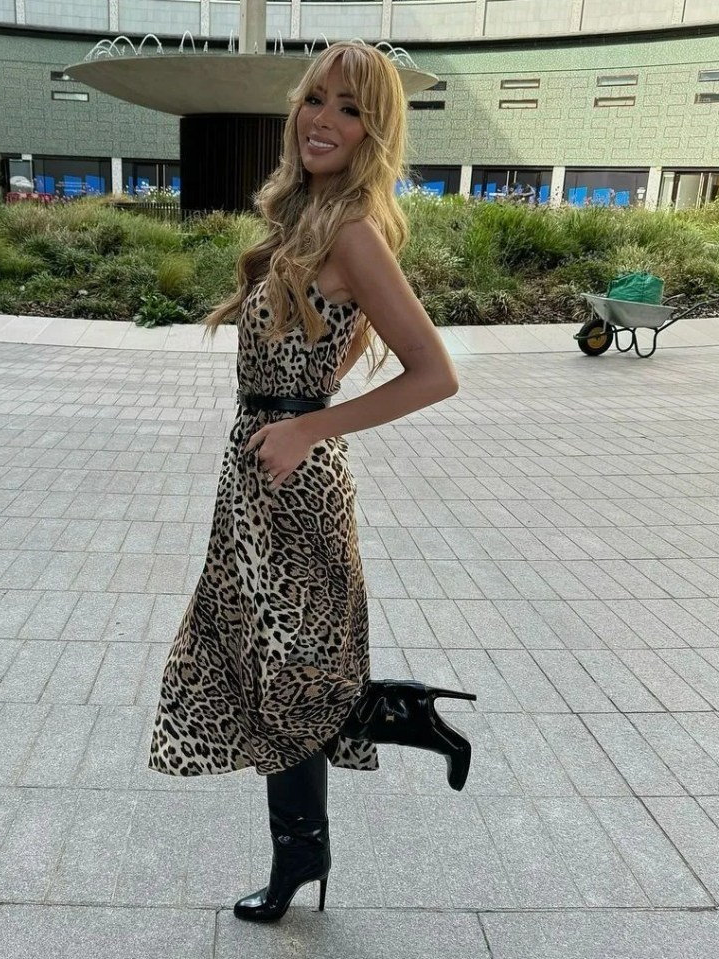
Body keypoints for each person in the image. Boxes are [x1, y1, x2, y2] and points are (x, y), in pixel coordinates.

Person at [148, 41, 476, 922]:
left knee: (285, 676)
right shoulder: (303, 217)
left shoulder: (353, 232)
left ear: (374, 132)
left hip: (296, 480)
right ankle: (395, 726)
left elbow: (434, 373)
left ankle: (302, 857)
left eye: (349, 109)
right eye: (315, 101)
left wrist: (306, 427)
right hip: (258, 474)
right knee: (273, 669)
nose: (324, 120)